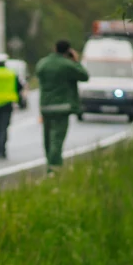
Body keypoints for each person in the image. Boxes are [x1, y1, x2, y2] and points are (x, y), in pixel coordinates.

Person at [35, 40, 89, 171]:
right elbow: (84, 76)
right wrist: (75, 61)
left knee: (47, 138)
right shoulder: (68, 65)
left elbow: (38, 73)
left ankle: (50, 162)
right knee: (57, 138)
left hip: (45, 106)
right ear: (68, 50)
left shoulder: (43, 63)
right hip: (62, 107)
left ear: (54, 48)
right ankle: (54, 167)